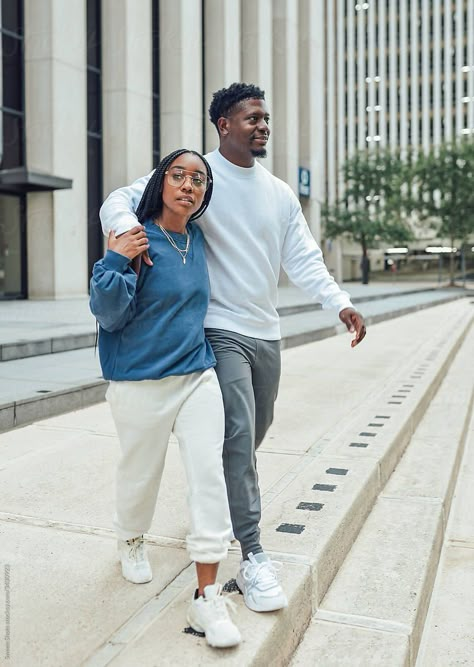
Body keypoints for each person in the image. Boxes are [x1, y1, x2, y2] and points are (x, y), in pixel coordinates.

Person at [100, 83, 366, 615]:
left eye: (265, 117)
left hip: (266, 332)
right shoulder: (198, 178)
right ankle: (252, 555)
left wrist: (338, 302)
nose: (262, 125)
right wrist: (128, 235)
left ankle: (214, 502)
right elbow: (122, 200)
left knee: (250, 434)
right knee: (239, 439)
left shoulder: (280, 193)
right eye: (251, 117)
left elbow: (305, 258)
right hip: (218, 330)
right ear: (224, 124)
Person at [90, 148, 241, 649]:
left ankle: (206, 594)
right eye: (178, 175)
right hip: (139, 381)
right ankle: (130, 538)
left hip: (197, 376)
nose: (188, 185)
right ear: (160, 181)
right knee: (141, 473)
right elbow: (108, 316)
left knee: (208, 475)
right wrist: (116, 257)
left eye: (198, 179)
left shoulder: (196, 238)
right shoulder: (134, 233)